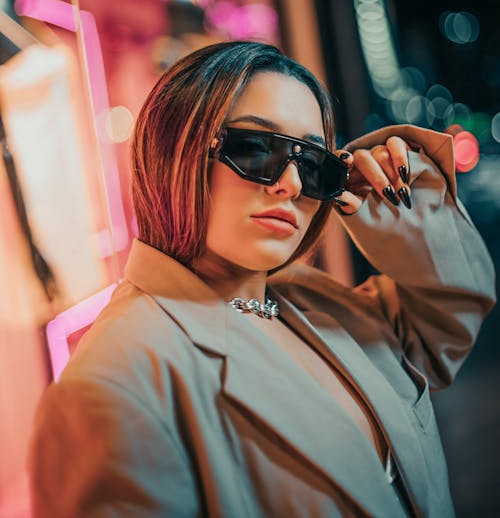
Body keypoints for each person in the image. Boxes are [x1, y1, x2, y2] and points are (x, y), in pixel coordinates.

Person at [29, 41, 495, 517]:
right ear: (175, 151)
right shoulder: (114, 386)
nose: (291, 184)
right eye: (255, 149)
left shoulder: (318, 305)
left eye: (314, 164)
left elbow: (452, 316)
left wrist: (399, 204)